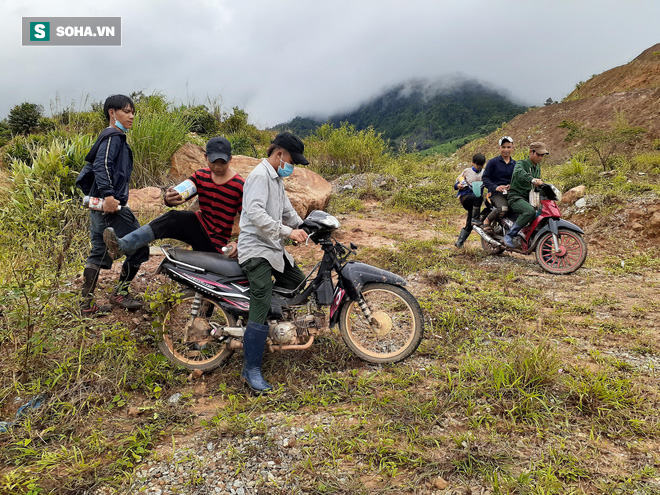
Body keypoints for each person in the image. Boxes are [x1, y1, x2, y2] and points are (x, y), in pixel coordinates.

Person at [237, 132, 310, 394]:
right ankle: (251, 368)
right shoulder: (259, 176)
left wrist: (307, 226)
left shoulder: (276, 178)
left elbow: (287, 211)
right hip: (256, 250)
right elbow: (255, 213)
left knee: (300, 284)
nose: (293, 167)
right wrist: (288, 232)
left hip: (273, 248)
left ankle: (278, 324)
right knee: (261, 297)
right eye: (292, 160)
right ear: (279, 154)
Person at [103, 136, 243, 260]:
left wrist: (237, 244)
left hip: (215, 242)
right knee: (173, 217)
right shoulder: (201, 176)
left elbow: (250, 221)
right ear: (206, 157)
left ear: (230, 159)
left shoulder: (239, 185)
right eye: (214, 162)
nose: (218, 167)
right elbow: (179, 193)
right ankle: (122, 245)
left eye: (222, 162)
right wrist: (169, 198)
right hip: (200, 226)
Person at [75, 94, 149, 316]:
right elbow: (102, 165)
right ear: (112, 113)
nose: (131, 116)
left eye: (133, 112)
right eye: (126, 111)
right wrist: (109, 196)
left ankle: (86, 306)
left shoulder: (111, 137)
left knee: (98, 252)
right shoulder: (113, 136)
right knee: (140, 247)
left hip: (97, 208)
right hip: (110, 208)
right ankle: (120, 292)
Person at [504, 142, 548, 247]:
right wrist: (532, 180)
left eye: (542, 155)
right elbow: (519, 173)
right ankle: (509, 235)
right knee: (529, 211)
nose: (541, 157)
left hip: (530, 198)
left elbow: (537, 185)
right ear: (531, 152)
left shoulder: (537, 167)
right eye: (538, 154)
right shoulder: (521, 164)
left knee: (543, 213)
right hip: (515, 197)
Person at [480, 136, 516, 231]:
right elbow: (485, 178)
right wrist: (496, 187)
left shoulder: (515, 164)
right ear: (499, 148)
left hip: (510, 193)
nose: (506, 150)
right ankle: (487, 221)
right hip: (496, 194)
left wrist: (511, 185)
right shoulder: (493, 162)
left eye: (508, 147)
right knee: (503, 208)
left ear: (513, 148)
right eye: (503, 147)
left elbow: (517, 180)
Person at [453, 153, 486, 248]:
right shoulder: (467, 171)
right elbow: (456, 183)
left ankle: (459, 242)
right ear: (472, 163)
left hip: (475, 202)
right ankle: (476, 218)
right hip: (465, 197)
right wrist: (458, 186)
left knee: (470, 223)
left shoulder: (484, 172)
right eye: (477, 165)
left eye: (481, 165)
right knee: (479, 197)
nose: (479, 167)